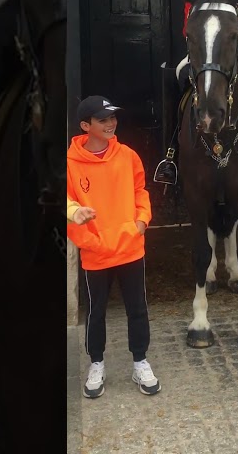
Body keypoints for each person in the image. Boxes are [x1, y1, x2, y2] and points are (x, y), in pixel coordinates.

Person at [65, 95, 160, 398]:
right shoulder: (69, 164)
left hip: (130, 247)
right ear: (85, 126)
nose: (111, 123)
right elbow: (66, 204)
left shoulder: (128, 155)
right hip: (95, 252)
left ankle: (140, 361)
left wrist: (141, 221)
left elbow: (140, 191)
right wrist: (84, 231)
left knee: (137, 308)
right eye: (103, 119)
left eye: (112, 117)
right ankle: (96, 363)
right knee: (96, 312)